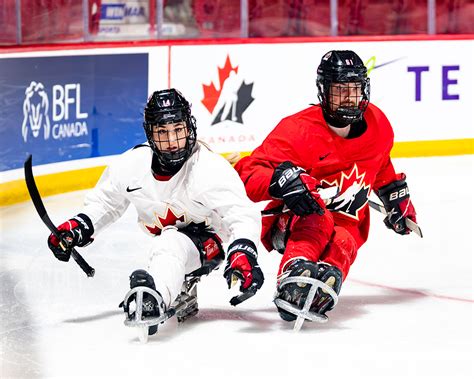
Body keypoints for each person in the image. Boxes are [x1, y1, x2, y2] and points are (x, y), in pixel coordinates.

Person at [47, 88, 264, 335]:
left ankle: (155, 299)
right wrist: (78, 227)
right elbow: (106, 203)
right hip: (170, 241)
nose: (172, 141)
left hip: (209, 243)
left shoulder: (208, 168)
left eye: (178, 130)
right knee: (170, 241)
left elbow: (241, 213)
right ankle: (161, 289)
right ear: (150, 134)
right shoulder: (131, 164)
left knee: (171, 241)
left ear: (189, 128)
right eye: (162, 132)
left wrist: (243, 250)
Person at [234, 50, 417, 323]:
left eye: (353, 90)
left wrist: (395, 195)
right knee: (318, 220)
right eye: (339, 90)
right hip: (296, 218)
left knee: (344, 240)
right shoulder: (297, 131)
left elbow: (379, 164)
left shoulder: (379, 124)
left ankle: (326, 282)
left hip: (347, 220)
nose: (348, 98)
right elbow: (247, 174)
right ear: (323, 92)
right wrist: (280, 181)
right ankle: (294, 272)